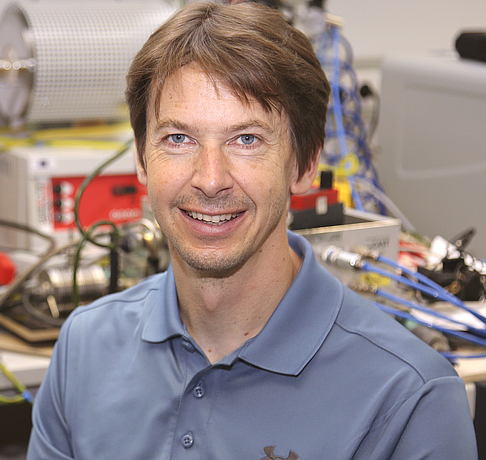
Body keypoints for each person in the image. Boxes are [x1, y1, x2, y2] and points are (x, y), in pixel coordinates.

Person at [26, 1, 478, 459]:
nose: (210, 178)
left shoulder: (410, 400)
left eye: (247, 139)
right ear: (142, 160)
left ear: (304, 164)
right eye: (178, 138)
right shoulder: (84, 348)